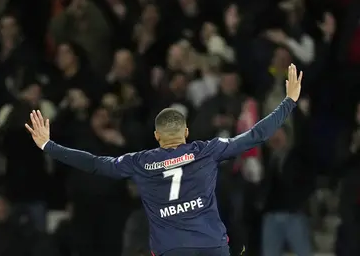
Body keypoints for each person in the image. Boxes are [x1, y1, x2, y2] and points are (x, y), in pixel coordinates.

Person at [25, 64, 302, 256]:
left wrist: (50, 146)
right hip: (210, 246)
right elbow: (255, 135)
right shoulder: (207, 149)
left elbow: (95, 163)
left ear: (157, 136)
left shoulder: (141, 162)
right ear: (187, 132)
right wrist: (288, 102)